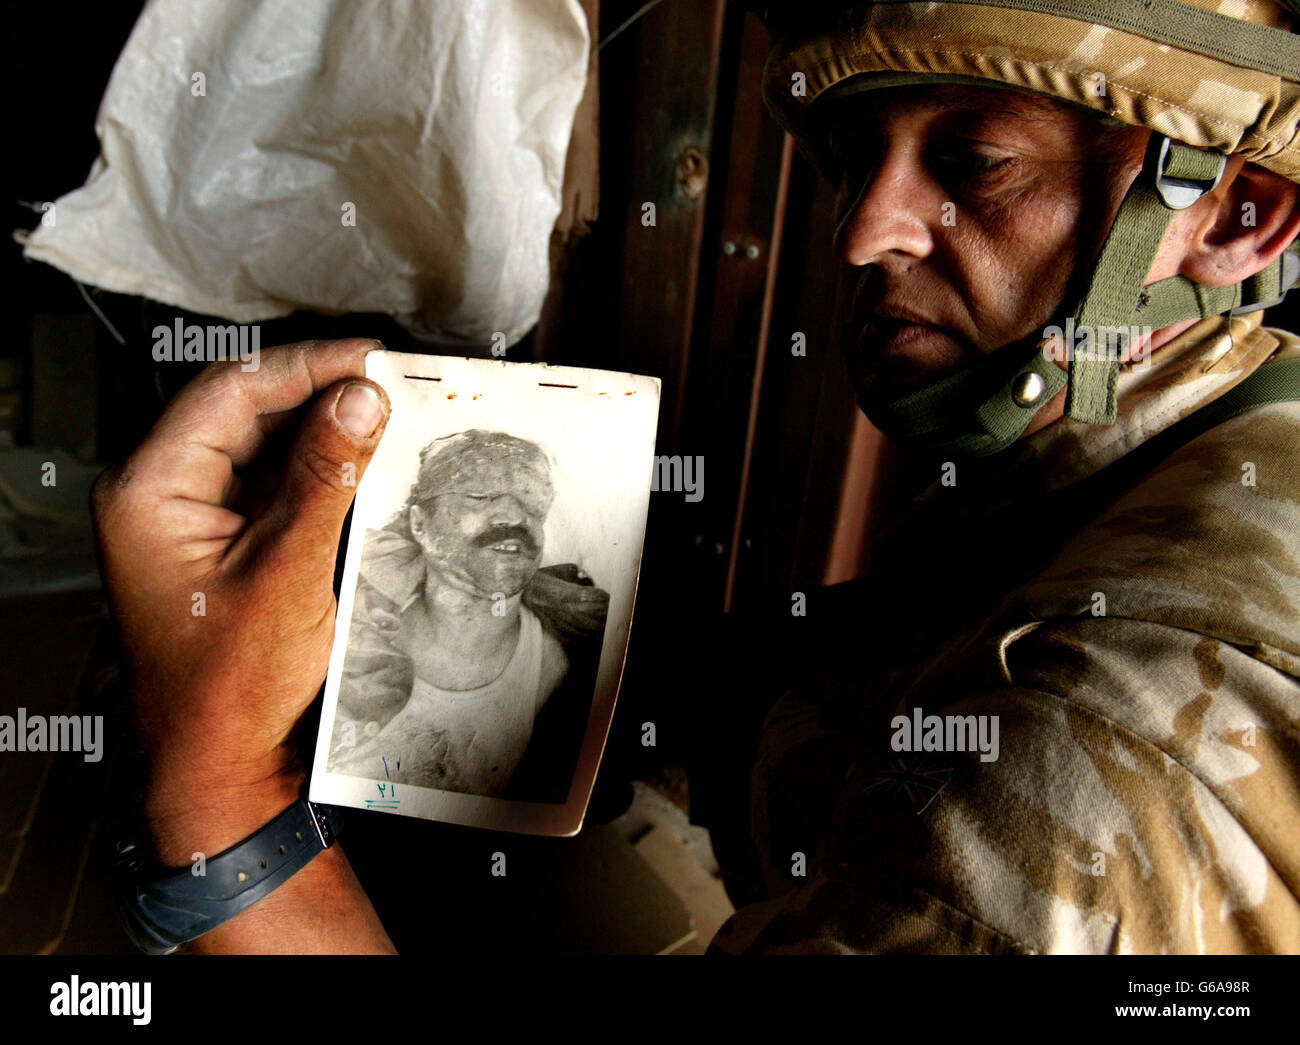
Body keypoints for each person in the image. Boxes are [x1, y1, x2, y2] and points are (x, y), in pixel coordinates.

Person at [92, 0, 1299, 954]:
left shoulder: (1138, 740)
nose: (862, 232)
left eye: (976, 162)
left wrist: (222, 804)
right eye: (852, 160)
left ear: (1234, 216)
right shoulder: (1127, 455)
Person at [328, 429, 608, 800]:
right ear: (420, 525)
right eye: (478, 496)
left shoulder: (558, 668)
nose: (513, 515)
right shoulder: (342, 626)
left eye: (532, 503)